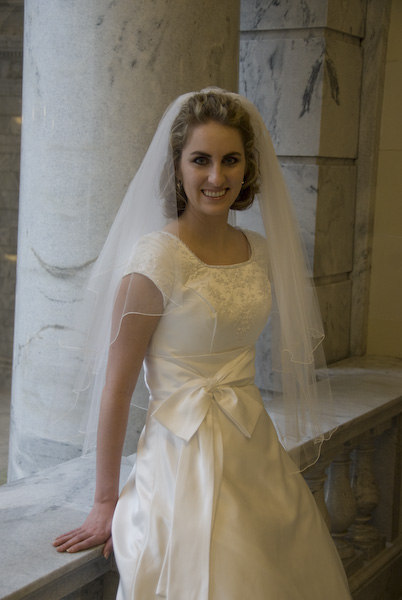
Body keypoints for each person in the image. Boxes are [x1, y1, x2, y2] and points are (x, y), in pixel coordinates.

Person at [53, 89, 352, 599]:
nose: (217, 176)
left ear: (247, 166)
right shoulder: (156, 259)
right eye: (200, 160)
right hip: (178, 458)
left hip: (254, 451)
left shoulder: (259, 251)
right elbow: (117, 389)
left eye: (230, 160)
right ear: (177, 167)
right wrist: (104, 500)